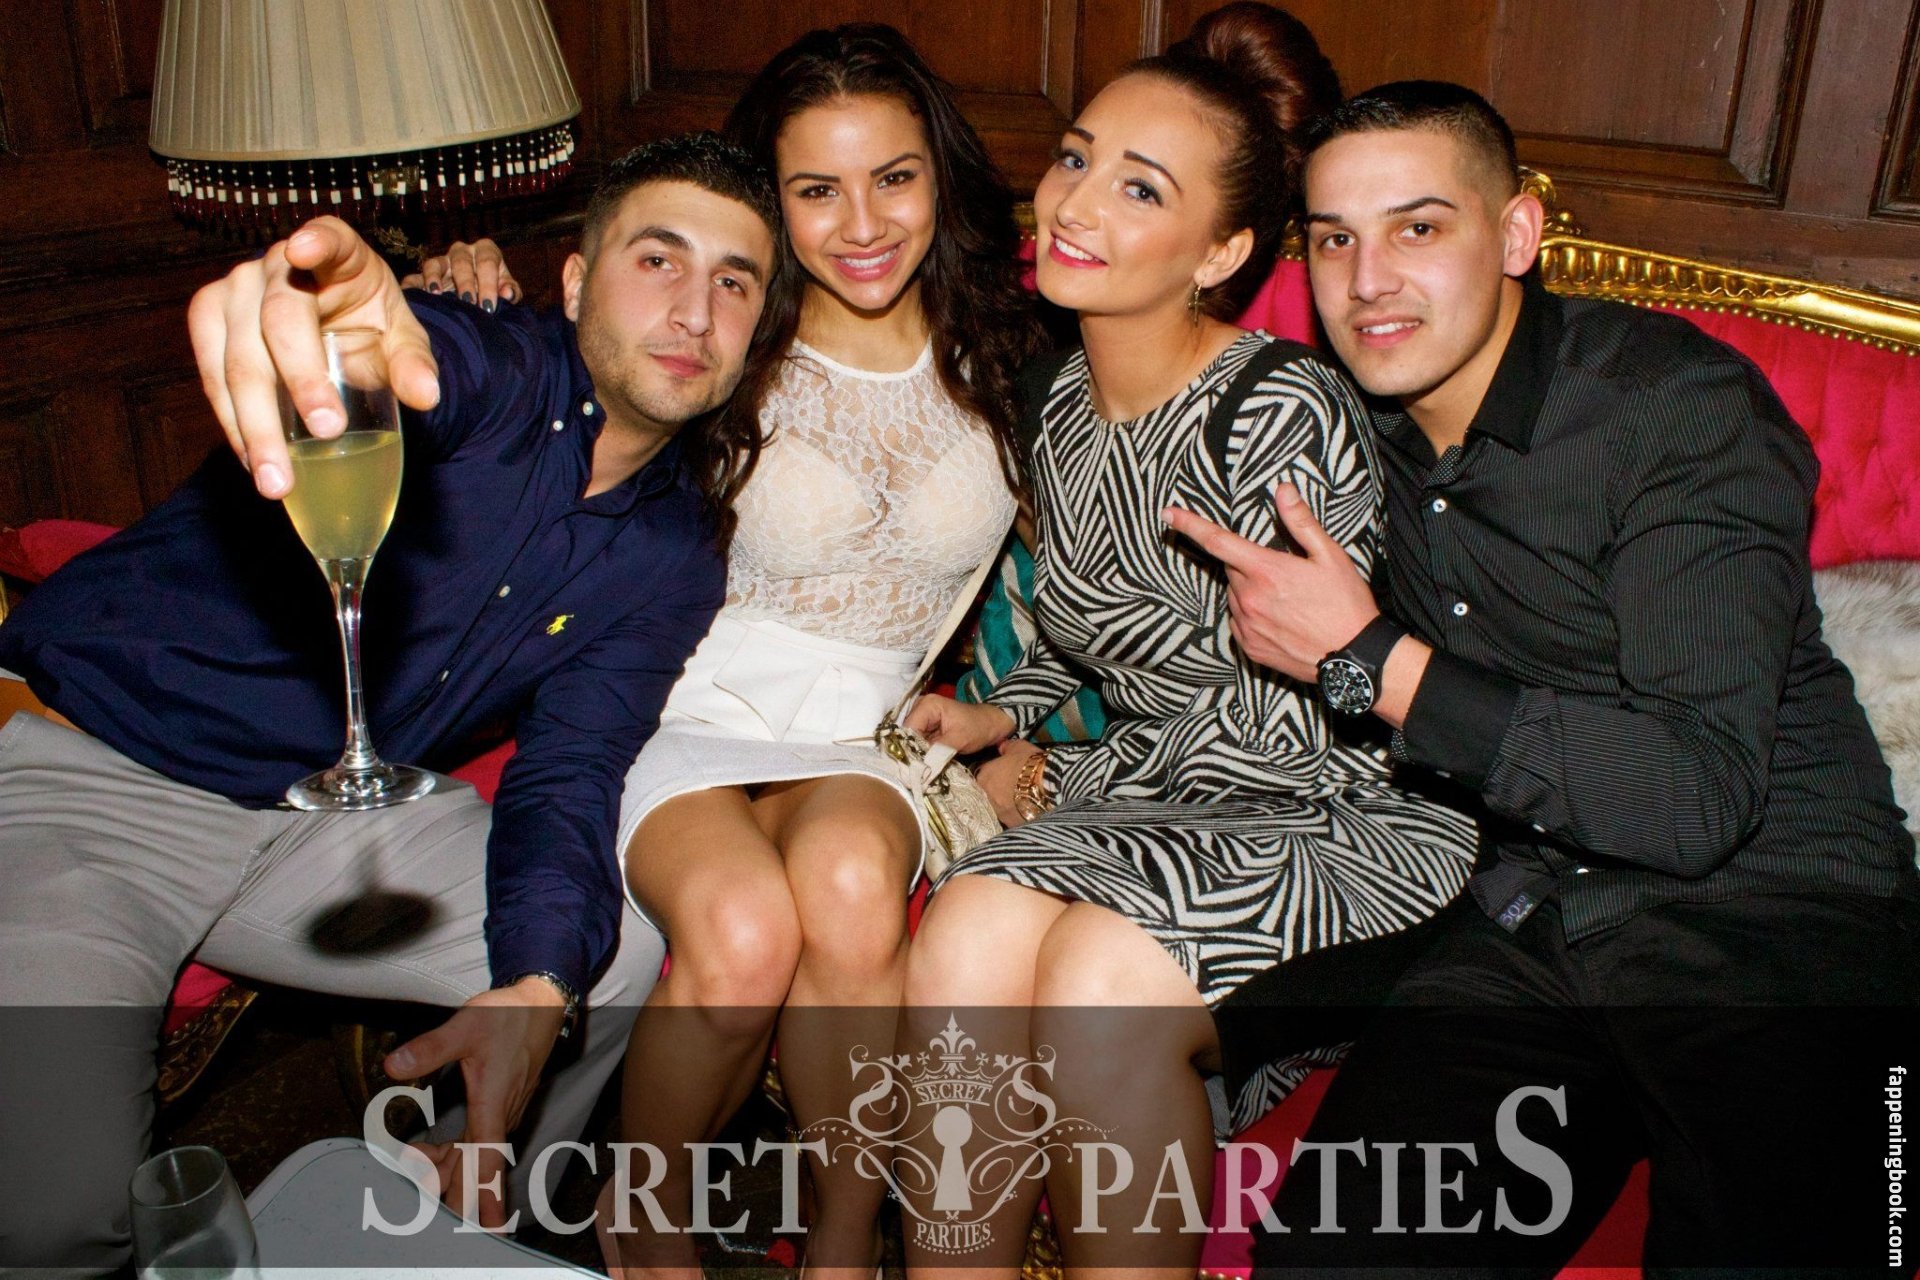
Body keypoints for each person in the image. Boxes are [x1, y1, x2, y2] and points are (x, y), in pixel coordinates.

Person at [1163, 82, 1920, 1274]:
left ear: (1516, 234)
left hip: (1779, 915)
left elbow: (1694, 799)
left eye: (1419, 227)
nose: (1369, 281)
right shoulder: (1350, 429)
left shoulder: (1677, 413)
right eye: (1335, 239)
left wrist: (1375, 660)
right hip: (1538, 912)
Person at [0, 133, 779, 1272]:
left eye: (734, 282)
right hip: (106, 773)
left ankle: (469, 1212)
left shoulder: (673, 549)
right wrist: (337, 332)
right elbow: (416, 364)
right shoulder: (489, 371)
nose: (695, 312)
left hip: (333, 824)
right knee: (51, 1212)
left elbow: (573, 763)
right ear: (573, 283)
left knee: (598, 956)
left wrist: (534, 984)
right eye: (658, 260)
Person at [424, 26, 1048, 1279]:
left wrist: (1018, 713)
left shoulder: (1013, 350)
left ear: (941, 173)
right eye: (816, 189)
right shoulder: (727, 333)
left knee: (854, 883)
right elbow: (560, 380)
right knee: (745, 927)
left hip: (866, 728)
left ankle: (839, 1237)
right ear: (774, 198)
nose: (861, 223)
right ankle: (645, 1205)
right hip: (684, 701)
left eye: (895, 177)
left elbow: (1099, 582)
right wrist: (454, 282)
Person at [898, 8, 1478, 1273]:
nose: (1075, 201)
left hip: (1337, 807)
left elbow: (1300, 719)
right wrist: (1006, 711)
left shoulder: (1276, 408)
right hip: (1163, 796)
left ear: (1221, 250)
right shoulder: (1060, 402)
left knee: (1096, 971)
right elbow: (1088, 633)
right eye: (1077, 157)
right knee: (964, 931)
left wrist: (1070, 771)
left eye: (1140, 187)